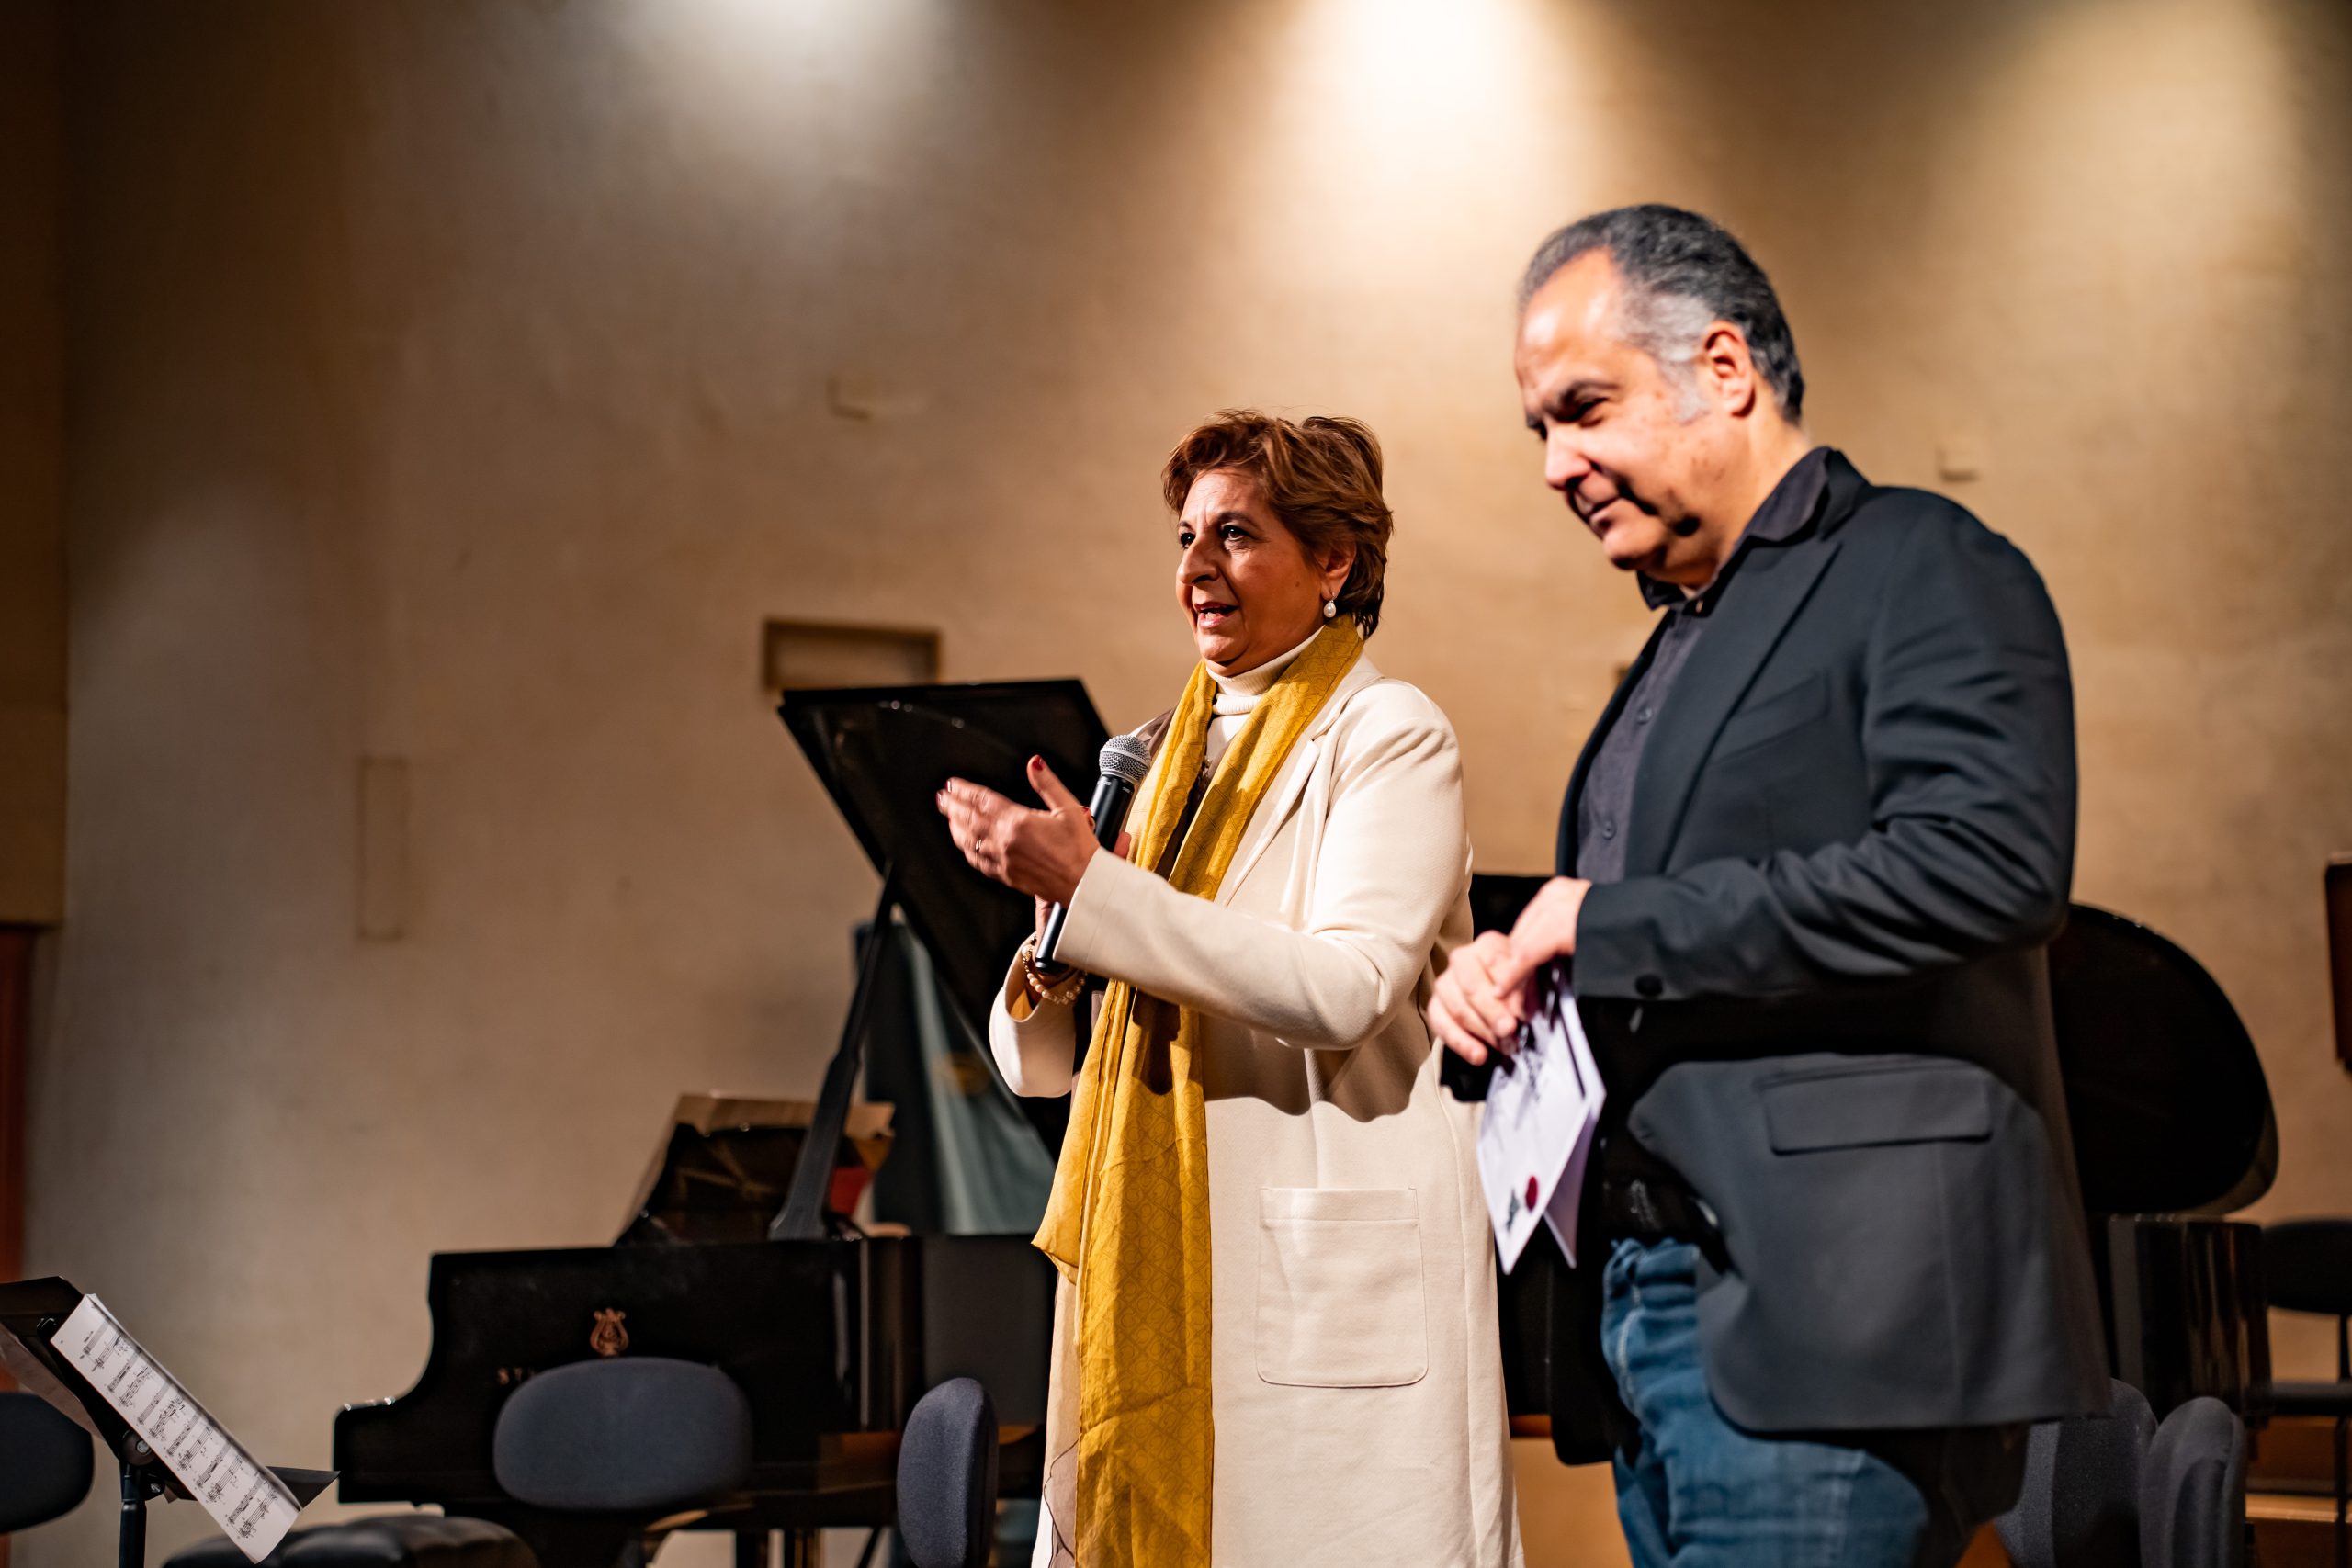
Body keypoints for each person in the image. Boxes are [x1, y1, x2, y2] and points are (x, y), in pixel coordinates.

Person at [1427, 206, 2109, 1568]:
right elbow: (1642, 939)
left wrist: (1603, 921)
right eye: (1539, 433)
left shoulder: (1919, 562)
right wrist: (1504, 979)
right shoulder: (1681, 641)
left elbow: (1990, 864)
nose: (1558, 464)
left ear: (1723, 369)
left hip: (1831, 1319)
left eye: (1586, 409)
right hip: (1654, 1306)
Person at [939, 411, 1521, 1568]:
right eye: (1186, 536)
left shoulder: (1388, 734)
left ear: (1333, 563)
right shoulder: (1158, 760)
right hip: (1170, 1252)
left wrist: (1098, 896)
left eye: (1237, 536)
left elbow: (1347, 987)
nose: (1196, 569)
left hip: (1316, 1256)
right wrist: (1054, 955)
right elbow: (1050, 1068)